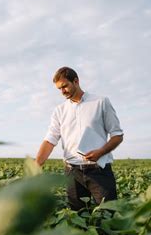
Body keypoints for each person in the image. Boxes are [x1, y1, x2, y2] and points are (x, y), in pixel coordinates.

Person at [35, 67, 124, 211]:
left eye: (65, 86)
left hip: (99, 171)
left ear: (76, 81)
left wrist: (101, 152)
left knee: (108, 215)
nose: (62, 91)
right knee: (77, 218)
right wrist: (36, 164)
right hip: (72, 173)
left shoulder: (100, 102)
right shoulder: (60, 110)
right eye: (59, 89)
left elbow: (117, 135)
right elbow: (50, 139)